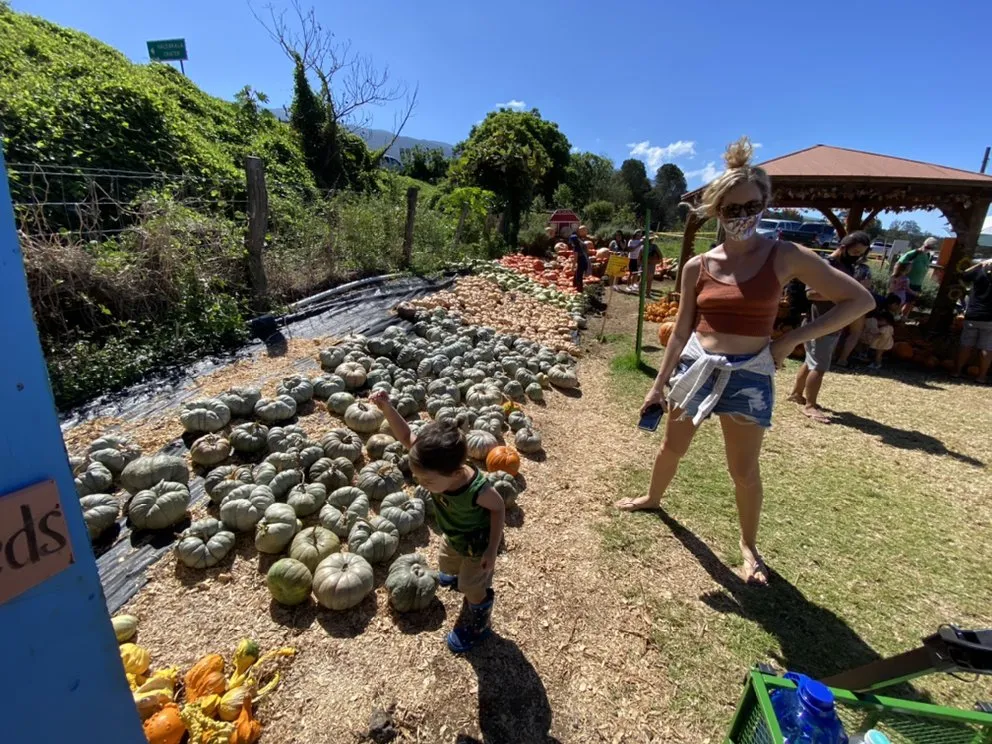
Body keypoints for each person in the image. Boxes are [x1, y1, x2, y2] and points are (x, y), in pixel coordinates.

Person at [614, 137, 873, 585]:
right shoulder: (697, 265)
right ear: (717, 211)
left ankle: (749, 547)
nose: (742, 216)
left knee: (743, 469)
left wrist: (791, 338)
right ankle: (653, 498)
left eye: (750, 206)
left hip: (749, 373)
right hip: (696, 367)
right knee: (672, 446)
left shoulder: (784, 255)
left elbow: (858, 300)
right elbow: (679, 329)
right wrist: (657, 384)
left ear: (764, 204)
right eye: (732, 209)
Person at [370, 391, 506, 652]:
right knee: (447, 563)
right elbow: (407, 436)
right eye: (419, 478)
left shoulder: (478, 490)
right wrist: (386, 407)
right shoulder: (434, 462)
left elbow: (499, 508)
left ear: (455, 474)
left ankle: (479, 618)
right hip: (453, 534)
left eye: (428, 482)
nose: (422, 484)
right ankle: (457, 577)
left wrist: (491, 549)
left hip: (477, 543)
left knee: (472, 585)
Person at [787, 232, 873, 423]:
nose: (857, 256)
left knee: (812, 361)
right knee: (820, 366)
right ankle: (810, 406)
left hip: (829, 323)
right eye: (855, 251)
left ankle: (796, 394)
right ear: (843, 247)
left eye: (861, 253)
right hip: (821, 324)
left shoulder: (845, 266)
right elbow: (812, 294)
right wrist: (848, 295)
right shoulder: (826, 266)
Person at [953, 257, 992, 383]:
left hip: (973, 313)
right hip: (989, 317)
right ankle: (981, 376)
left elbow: (962, 275)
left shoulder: (978, 273)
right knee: (987, 348)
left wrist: (979, 265)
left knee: (966, 345)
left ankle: (957, 372)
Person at [835, 250, 875, 367]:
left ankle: (831, 355)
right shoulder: (865, 270)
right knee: (855, 332)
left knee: (835, 329)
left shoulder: (842, 266)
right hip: (858, 303)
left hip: (840, 300)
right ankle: (842, 359)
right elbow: (866, 287)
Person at [893, 237, 937, 317]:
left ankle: (903, 319)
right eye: (927, 247)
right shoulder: (914, 253)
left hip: (917, 284)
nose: (928, 249)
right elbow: (899, 263)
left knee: (910, 304)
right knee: (900, 303)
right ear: (924, 244)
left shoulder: (928, 256)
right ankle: (893, 318)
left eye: (931, 248)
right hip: (906, 283)